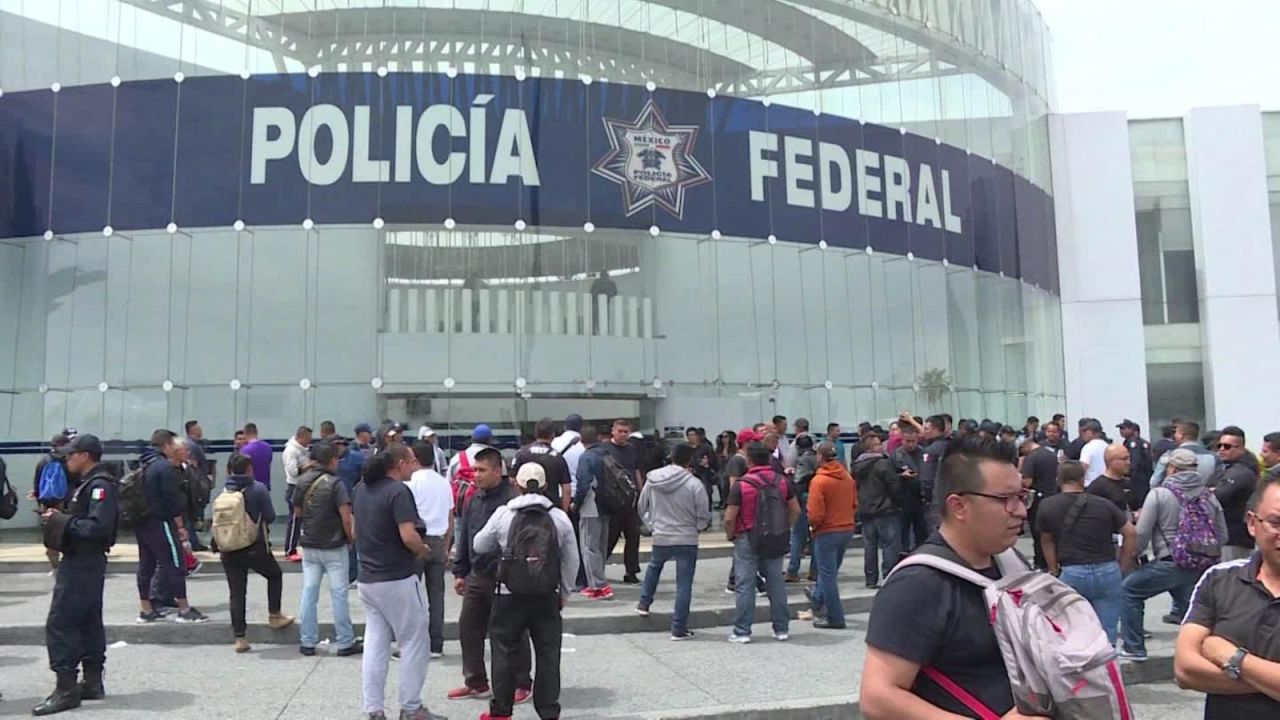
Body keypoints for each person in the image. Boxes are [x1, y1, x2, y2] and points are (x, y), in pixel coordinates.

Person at [860, 435, 1032, 719]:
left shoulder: (1012, 563)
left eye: (1022, 497)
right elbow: (877, 697)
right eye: (1006, 499)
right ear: (959, 507)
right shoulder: (917, 584)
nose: (1021, 511)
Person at [471, 462, 579, 720]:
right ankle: (549, 711)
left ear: (516, 484)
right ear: (545, 486)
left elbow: (479, 544)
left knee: (504, 652)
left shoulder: (503, 514)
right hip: (546, 595)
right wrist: (564, 592)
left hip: (509, 595)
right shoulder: (558, 517)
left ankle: (501, 712)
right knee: (548, 655)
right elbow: (571, 559)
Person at [1174, 472, 1280, 718]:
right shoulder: (1219, 579)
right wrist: (1271, 684)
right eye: (1277, 522)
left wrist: (1232, 657)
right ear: (1253, 524)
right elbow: (1185, 670)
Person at [1119, 448, 1229, 662]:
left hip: (1169, 560)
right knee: (1192, 609)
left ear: (1172, 469)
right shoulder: (1208, 496)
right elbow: (1222, 534)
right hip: (1200, 564)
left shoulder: (1159, 494)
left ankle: (1134, 648)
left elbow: (1142, 531)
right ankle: (1206, 651)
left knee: (1129, 590)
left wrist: (1134, 554)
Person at [33, 434, 116, 716]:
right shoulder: (87, 485)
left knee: (61, 621)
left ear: (85, 455)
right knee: (88, 619)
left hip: (83, 560)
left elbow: (97, 528)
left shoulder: (99, 486)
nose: (66, 459)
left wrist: (60, 521)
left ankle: (66, 688)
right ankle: (91, 681)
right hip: (83, 560)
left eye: (70, 455)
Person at [353, 445, 437, 720]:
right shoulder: (399, 491)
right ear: (399, 464)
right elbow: (408, 535)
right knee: (414, 641)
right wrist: (424, 549)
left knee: (376, 643)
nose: (415, 467)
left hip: (368, 579)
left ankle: (374, 709)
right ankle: (411, 708)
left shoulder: (360, 490)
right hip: (397, 578)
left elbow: (355, 531)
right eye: (412, 462)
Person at [450, 447, 533, 704]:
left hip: (505, 576)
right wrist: (460, 571)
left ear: (498, 471)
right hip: (476, 575)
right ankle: (476, 681)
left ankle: (521, 682)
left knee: (511, 632)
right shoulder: (473, 497)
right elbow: (465, 535)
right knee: (469, 627)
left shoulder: (512, 500)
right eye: (475, 469)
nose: (476, 475)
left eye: (482, 470)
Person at [1036, 460, 1136, 645]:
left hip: (1072, 571)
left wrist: (1053, 569)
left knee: (1073, 630)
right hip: (1107, 569)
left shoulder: (1047, 505)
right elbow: (1130, 532)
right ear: (1082, 479)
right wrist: (1122, 564)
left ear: (1058, 480)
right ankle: (1107, 667)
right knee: (1108, 630)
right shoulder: (1103, 504)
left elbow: (1046, 541)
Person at [723, 441, 801, 643]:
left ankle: (742, 631)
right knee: (776, 583)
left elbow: (730, 517)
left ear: (749, 460)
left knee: (745, 585)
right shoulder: (782, 481)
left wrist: (731, 535)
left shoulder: (742, 484)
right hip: (775, 537)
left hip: (747, 537)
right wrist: (785, 526)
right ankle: (781, 629)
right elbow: (796, 510)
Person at [636, 442, 711, 639]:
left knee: (654, 567)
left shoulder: (653, 479)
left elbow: (641, 505)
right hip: (686, 536)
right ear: (689, 460)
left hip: (661, 534)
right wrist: (698, 527)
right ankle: (678, 628)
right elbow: (703, 512)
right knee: (684, 584)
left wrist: (652, 525)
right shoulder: (694, 483)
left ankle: (644, 603)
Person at [134, 430, 209, 624]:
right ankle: (184, 610)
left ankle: (146, 609)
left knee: (146, 566)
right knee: (176, 564)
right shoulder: (164, 468)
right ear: (166, 446)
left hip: (142, 522)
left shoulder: (145, 465)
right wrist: (181, 527)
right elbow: (172, 501)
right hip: (162, 522)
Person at [221, 453, 293, 653]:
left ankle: (240, 638)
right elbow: (269, 516)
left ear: (229, 470)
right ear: (250, 469)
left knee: (236, 593)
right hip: (254, 546)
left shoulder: (225, 490)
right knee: (274, 575)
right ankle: (275, 615)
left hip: (228, 548)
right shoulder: (258, 488)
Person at [294, 443, 358, 657]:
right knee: (339, 594)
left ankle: (308, 641)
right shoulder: (336, 484)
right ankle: (345, 641)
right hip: (334, 545)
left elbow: (297, 511)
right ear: (333, 460)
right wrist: (350, 539)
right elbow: (345, 516)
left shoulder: (302, 481)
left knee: (309, 592)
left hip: (310, 545)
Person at [406, 442, 454, 658]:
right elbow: (450, 516)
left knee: (411, 595)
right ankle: (436, 644)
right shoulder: (443, 482)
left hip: (416, 541)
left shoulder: (410, 483)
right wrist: (446, 545)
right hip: (438, 540)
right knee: (437, 595)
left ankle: (413, 644)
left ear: (414, 459)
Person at [806, 441, 857, 628]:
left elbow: (815, 512)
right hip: (846, 527)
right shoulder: (847, 477)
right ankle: (818, 598)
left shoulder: (819, 480)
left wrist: (813, 526)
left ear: (820, 456)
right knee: (831, 569)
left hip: (827, 530)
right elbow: (854, 503)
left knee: (827, 575)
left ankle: (835, 617)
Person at [852, 434, 901, 589]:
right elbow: (894, 486)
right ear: (871, 448)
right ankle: (888, 576)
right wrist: (898, 502)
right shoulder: (883, 464)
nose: (882, 446)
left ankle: (871, 578)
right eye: (879, 444)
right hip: (885, 509)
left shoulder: (856, 466)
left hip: (865, 510)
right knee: (889, 544)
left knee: (869, 546)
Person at [572, 426, 614, 600]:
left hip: (591, 506)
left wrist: (576, 503)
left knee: (589, 546)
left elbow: (583, 484)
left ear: (582, 441)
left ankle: (597, 586)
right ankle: (601, 579)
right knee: (601, 545)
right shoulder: (606, 454)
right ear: (597, 437)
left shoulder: (586, 457)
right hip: (607, 505)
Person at [1211, 425, 1259, 562]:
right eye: (1219, 445)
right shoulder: (1225, 468)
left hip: (1235, 536)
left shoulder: (1242, 472)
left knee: (1233, 577)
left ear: (1241, 449)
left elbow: (1217, 497)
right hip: (1226, 534)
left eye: (1227, 446)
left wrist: (1212, 491)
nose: (1221, 449)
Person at [603, 419, 643, 584]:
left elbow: (636, 470)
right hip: (613, 500)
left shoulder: (632, 449)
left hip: (630, 501)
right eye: (620, 431)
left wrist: (641, 492)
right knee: (609, 538)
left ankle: (631, 571)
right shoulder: (605, 449)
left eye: (626, 431)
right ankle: (597, 569)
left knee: (633, 537)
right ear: (613, 431)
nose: (623, 434)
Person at [30, 432, 74, 572]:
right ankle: (67, 563)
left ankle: (55, 565)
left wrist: (40, 502)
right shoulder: (68, 462)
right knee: (68, 532)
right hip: (65, 503)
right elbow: (75, 482)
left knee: (51, 534)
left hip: (47, 503)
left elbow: (37, 484)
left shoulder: (43, 461)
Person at [511, 418, 573, 510]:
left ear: (536, 434)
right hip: (550, 509)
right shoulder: (557, 457)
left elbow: (512, 481)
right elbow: (566, 489)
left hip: (524, 508)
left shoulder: (521, 454)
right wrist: (564, 512)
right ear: (553, 435)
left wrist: (516, 503)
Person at [1020, 432, 1060, 570]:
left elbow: (1027, 482)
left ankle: (1040, 563)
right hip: (1053, 496)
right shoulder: (1051, 454)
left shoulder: (1031, 458)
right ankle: (1054, 562)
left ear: (1026, 447)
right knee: (1052, 533)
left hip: (1037, 500)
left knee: (1038, 534)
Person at [785, 434, 818, 583]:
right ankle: (815, 570)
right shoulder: (818, 457)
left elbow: (798, 481)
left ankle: (793, 570)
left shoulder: (803, 460)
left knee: (798, 536)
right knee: (815, 537)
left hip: (804, 499)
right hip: (817, 498)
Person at [892, 424, 927, 553]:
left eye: (913, 441)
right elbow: (890, 477)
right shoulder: (896, 455)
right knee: (902, 534)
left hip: (920, 498)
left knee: (921, 532)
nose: (911, 444)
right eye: (908, 441)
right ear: (902, 440)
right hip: (903, 498)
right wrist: (901, 476)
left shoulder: (924, 453)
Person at [1154, 420, 1217, 487]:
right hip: (1204, 495)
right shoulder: (1214, 457)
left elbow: (1155, 481)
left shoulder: (1168, 456)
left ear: (1181, 436)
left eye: (1176, 433)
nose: (1174, 435)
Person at [283, 426, 313, 562]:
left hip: (304, 486)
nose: (309, 441)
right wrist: (309, 465)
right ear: (301, 437)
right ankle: (290, 549)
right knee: (295, 520)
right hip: (295, 488)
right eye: (308, 438)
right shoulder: (291, 451)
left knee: (303, 519)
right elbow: (293, 471)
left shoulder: (303, 451)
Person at [918, 415, 950, 533]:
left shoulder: (930, 450)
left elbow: (927, 478)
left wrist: (926, 497)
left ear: (936, 430)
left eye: (927, 429)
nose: (924, 432)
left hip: (936, 500)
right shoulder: (952, 447)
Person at [1087, 444, 1137, 514]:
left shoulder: (1129, 484)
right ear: (1111, 461)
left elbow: (1137, 506)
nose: (1128, 462)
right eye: (1124, 459)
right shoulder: (1097, 487)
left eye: (1129, 459)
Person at [1118, 419, 1154, 506]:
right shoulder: (1144, 442)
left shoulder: (1132, 443)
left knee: (1137, 503)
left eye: (1123, 428)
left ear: (1132, 429)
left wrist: (1127, 474)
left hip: (1136, 478)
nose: (1121, 431)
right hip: (1145, 477)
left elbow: (1135, 461)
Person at [240, 422, 274, 491]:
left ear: (245, 433)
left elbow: (243, 471)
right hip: (265, 487)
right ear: (256, 432)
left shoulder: (244, 450)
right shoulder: (268, 447)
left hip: (250, 488)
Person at [1077, 419, 1109, 486]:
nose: (1083, 433)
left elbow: (1083, 467)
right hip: (1106, 483)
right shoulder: (1107, 446)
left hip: (1090, 485)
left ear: (1094, 432)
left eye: (1085, 431)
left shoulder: (1088, 447)